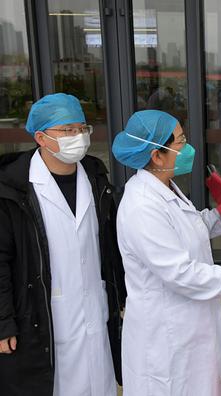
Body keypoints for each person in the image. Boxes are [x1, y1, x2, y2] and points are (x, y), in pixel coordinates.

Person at [111, 110, 221, 396]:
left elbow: (194, 225)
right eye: (180, 141)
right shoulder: (142, 206)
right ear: (157, 156)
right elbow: (180, 273)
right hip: (167, 333)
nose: (188, 147)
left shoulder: (165, 189)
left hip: (193, 324)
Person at [0, 93, 125, 395]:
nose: (78, 137)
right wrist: (3, 321)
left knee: (100, 381)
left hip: (94, 304)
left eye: (82, 129)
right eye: (67, 130)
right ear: (41, 137)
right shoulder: (13, 189)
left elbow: (111, 246)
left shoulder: (96, 178)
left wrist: (122, 295)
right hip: (41, 310)